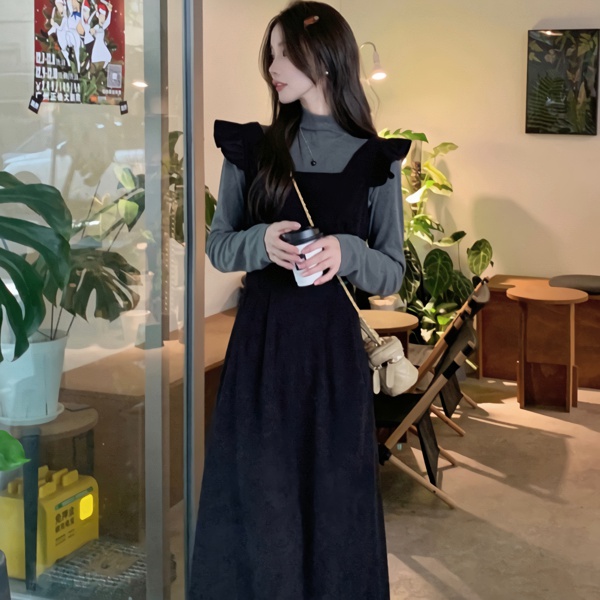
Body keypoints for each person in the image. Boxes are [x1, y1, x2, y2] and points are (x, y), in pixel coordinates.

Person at [190, 2, 410, 599]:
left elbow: (392, 271)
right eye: (271, 53)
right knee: (261, 500)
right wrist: (260, 242)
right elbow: (219, 247)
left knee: (334, 502)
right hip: (261, 355)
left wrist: (347, 251)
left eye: (285, 53)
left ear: (327, 60)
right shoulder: (252, 148)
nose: (272, 67)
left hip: (333, 361)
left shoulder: (376, 161)